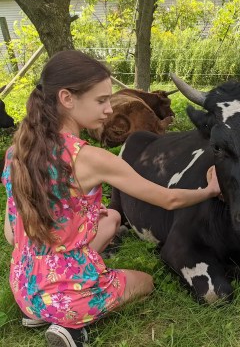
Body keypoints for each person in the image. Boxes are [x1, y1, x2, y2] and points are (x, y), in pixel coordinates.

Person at [1, 50, 220, 347]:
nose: (109, 109)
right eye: (101, 100)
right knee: (145, 282)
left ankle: (42, 312)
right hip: (66, 297)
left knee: (112, 218)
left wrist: (85, 219)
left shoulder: (17, 151)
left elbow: (11, 236)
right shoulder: (91, 158)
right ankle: (72, 328)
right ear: (67, 99)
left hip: (24, 285)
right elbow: (167, 200)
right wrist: (207, 191)